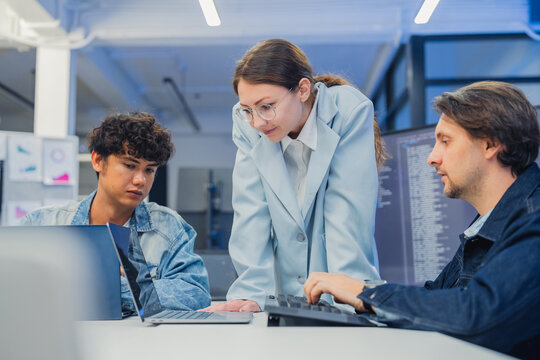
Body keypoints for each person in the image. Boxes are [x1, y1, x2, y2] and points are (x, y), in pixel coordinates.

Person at [303, 81, 540, 358]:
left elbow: (478, 315)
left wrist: (363, 292)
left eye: (445, 141)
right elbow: (437, 298)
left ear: (490, 144)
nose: (431, 158)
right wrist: (360, 301)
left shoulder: (533, 219)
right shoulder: (490, 224)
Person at [206, 39, 385, 312]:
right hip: (279, 299)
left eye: (267, 106)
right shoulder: (248, 125)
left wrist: (347, 298)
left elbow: (345, 217)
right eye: (248, 110)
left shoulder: (349, 111)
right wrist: (251, 295)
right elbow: (251, 212)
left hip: (337, 295)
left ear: (302, 90)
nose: (256, 122)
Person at [23, 112, 211, 312]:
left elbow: (195, 294)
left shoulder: (168, 226)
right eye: (130, 165)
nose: (140, 180)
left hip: (137, 343)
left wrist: (117, 285)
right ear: (97, 161)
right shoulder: (43, 222)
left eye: (149, 170)